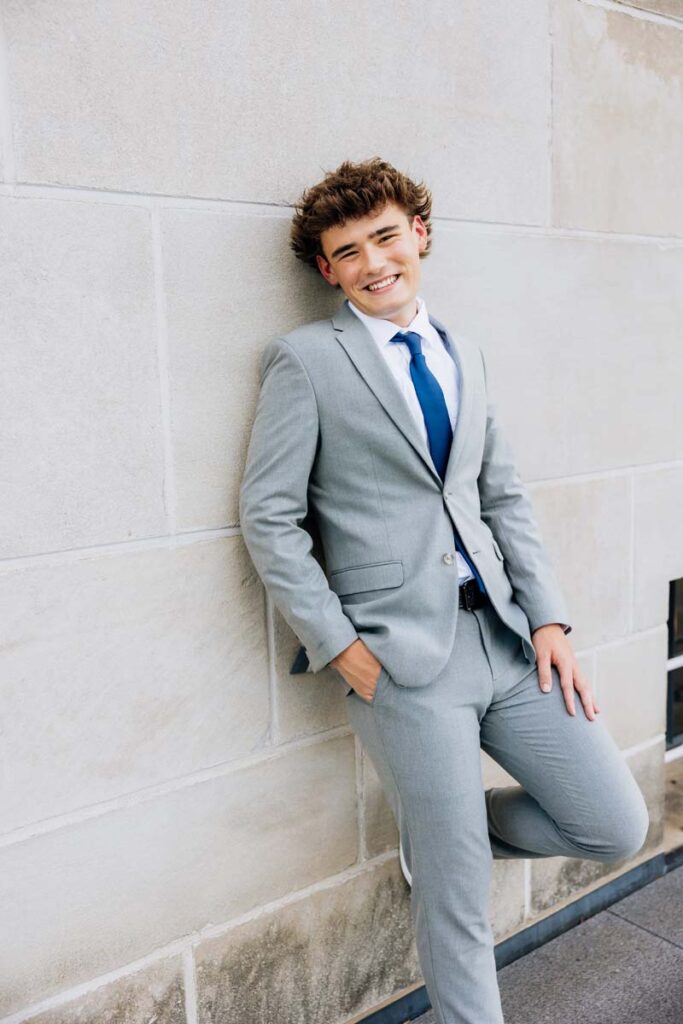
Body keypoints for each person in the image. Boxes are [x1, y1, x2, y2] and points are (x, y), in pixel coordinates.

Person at [238, 157, 649, 1024]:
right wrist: (340, 645)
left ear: (419, 235)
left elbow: (500, 495)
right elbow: (269, 518)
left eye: (385, 236)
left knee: (613, 825)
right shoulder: (306, 360)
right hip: (397, 660)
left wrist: (549, 620)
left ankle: (441, 835)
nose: (372, 261)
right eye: (347, 251)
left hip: (503, 640)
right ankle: (446, 850)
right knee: (457, 899)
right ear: (327, 270)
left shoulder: (464, 352)